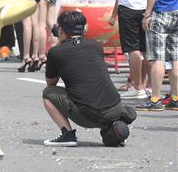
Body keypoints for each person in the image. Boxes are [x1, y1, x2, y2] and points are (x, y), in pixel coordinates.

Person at [42, 10, 136, 146]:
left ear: (60, 30)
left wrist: (57, 50)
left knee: (48, 93)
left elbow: (51, 82)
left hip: (90, 114)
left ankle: (67, 135)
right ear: (84, 29)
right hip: (116, 108)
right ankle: (112, 128)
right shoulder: (96, 46)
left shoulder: (56, 52)